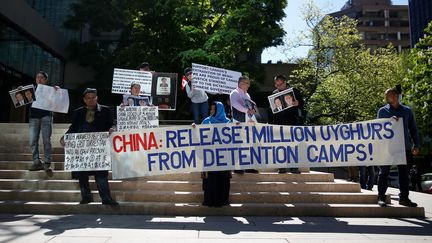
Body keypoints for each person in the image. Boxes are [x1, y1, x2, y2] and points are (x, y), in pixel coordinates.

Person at [60, 88, 119, 206]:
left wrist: (113, 128)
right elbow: (73, 127)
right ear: (84, 100)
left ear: (97, 98)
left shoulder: (106, 110)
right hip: (82, 148)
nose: (91, 100)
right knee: (82, 175)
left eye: (93, 97)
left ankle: (106, 198)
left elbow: (112, 123)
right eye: (88, 98)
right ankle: (86, 197)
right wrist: (64, 137)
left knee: (101, 174)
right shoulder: (78, 112)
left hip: (100, 148)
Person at [377, 88, 420, 207]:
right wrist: (389, 122)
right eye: (386, 95)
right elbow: (377, 128)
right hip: (387, 147)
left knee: (404, 173)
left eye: (388, 95)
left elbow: (413, 129)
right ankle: (381, 197)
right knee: (384, 172)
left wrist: (416, 145)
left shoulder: (407, 111)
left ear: (396, 96)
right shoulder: (382, 111)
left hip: (403, 147)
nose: (386, 97)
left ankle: (404, 198)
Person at [269, 74, 304, 174]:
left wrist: (298, 103)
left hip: (292, 122)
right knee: (280, 146)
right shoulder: (274, 93)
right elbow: (271, 111)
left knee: (293, 145)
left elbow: (302, 104)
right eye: (276, 85)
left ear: (285, 83)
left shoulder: (294, 91)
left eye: (280, 85)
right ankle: (281, 167)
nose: (278, 87)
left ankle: (294, 167)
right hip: (279, 124)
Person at [199, 101, 231, 207]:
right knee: (211, 180)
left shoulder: (228, 122)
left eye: (214, 109)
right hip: (210, 156)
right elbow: (200, 138)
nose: (212, 111)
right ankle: (210, 200)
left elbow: (233, 139)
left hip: (224, 156)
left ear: (220, 110)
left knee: (223, 179)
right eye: (211, 109)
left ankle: (222, 200)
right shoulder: (206, 121)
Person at [28, 71, 57, 172]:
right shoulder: (31, 90)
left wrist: (56, 91)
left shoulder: (50, 90)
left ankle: (47, 161)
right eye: (37, 77)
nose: (39, 79)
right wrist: (21, 91)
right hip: (33, 117)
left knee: (46, 140)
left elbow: (57, 100)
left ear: (45, 80)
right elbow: (22, 100)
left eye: (41, 77)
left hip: (46, 116)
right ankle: (36, 162)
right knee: (32, 140)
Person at [229, 76, 258, 174]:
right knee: (238, 145)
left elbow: (249, 106)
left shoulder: (247, 95)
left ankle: (248, 166)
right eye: (247, 83)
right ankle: (237, 167)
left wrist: (253, 109)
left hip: (248, 122)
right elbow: (235, 105)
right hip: (238, 121)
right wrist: (247, 110)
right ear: (241, 83)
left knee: (248, 144)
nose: (249, 85)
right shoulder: (234, 93)